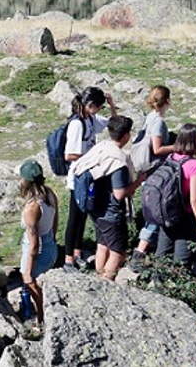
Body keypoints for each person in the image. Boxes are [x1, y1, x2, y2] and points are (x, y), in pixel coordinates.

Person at [74, 116, 146, 280]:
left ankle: (98, 277)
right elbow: (119, 193)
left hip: (95, 209)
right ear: (126, 136)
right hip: (111, 213)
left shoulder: (101, 148)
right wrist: (139, 181)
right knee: (117, 252)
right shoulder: (117, 160)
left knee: (102, 245)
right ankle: (106, 283)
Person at [63, 86, 117, 273]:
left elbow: (114, 124)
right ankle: (68, 259)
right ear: (91, 105)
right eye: (99, 107)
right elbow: (69, 154)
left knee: (83, 215)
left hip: (87, 176)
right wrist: (91, 158)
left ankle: (76, 253)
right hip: (78, 177)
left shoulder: (90, 119)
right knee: (75, 218)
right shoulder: (77, 124)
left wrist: (111, 105)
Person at [129, 85, 175, 271]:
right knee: (156, 213)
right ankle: (139, 253)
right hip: (155, 171)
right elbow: (156, 149)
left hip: (147, 171)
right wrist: (176, 146)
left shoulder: (150, 118)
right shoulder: (158, 122)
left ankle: (146, 248)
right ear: (168, 101)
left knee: (152, 211)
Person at [155, 124, 196, 266]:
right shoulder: (194, 165)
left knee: (162, 253)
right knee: (181, 258)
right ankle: (178, 283)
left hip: (167, 212)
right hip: (184, 216)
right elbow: (194, 199)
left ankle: (157, 281)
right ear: (195, 141)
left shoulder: (171, 157)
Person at [19, 159, 58, 324]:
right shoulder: (50, 194)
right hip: (50, 244)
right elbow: (56, 220)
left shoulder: (31, 209)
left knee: (32, 282)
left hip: (37, 249)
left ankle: (42, 318)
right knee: (41, 284)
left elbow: (34, 245)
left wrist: (27, 270)